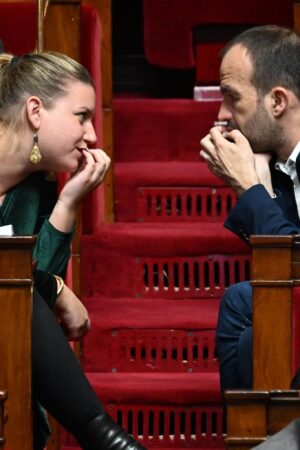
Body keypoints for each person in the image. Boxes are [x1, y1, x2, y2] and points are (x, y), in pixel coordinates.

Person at [0, 51, 146, 450]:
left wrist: (67, 205)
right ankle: (106, 439)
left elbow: (25, 302)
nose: (93, 135)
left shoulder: (39, 190)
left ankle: (105, 438)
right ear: (35, 111)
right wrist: (61, 290)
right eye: (81, 116)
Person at [200, 25, 300, 391]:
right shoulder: (281, 164)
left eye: (232, 97)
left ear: (277, 101)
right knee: (245, 306)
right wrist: (262, 187)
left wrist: (250, 188)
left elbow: (294, 262)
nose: (222, 114)